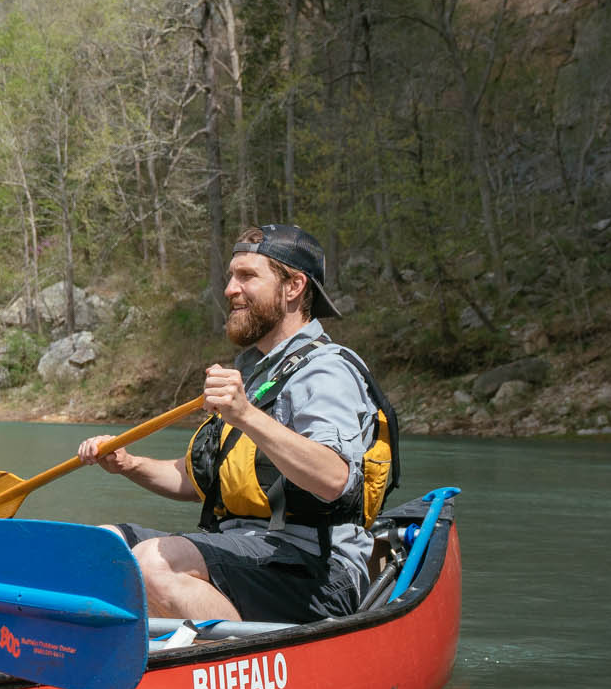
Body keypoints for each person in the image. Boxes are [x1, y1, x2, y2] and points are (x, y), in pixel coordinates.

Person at [75, 225, 397, 624]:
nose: (229, 288)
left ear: (294, 286)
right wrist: (129, 464)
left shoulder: (327, 371)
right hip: (244, 548)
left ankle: (228, 664)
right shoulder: (255, 372)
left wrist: (245, 414)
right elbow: (197, 481)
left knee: (154, 565)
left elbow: (334, 478)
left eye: (247, 276)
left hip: (319, 572)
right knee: (97, 547)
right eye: (231, 276)